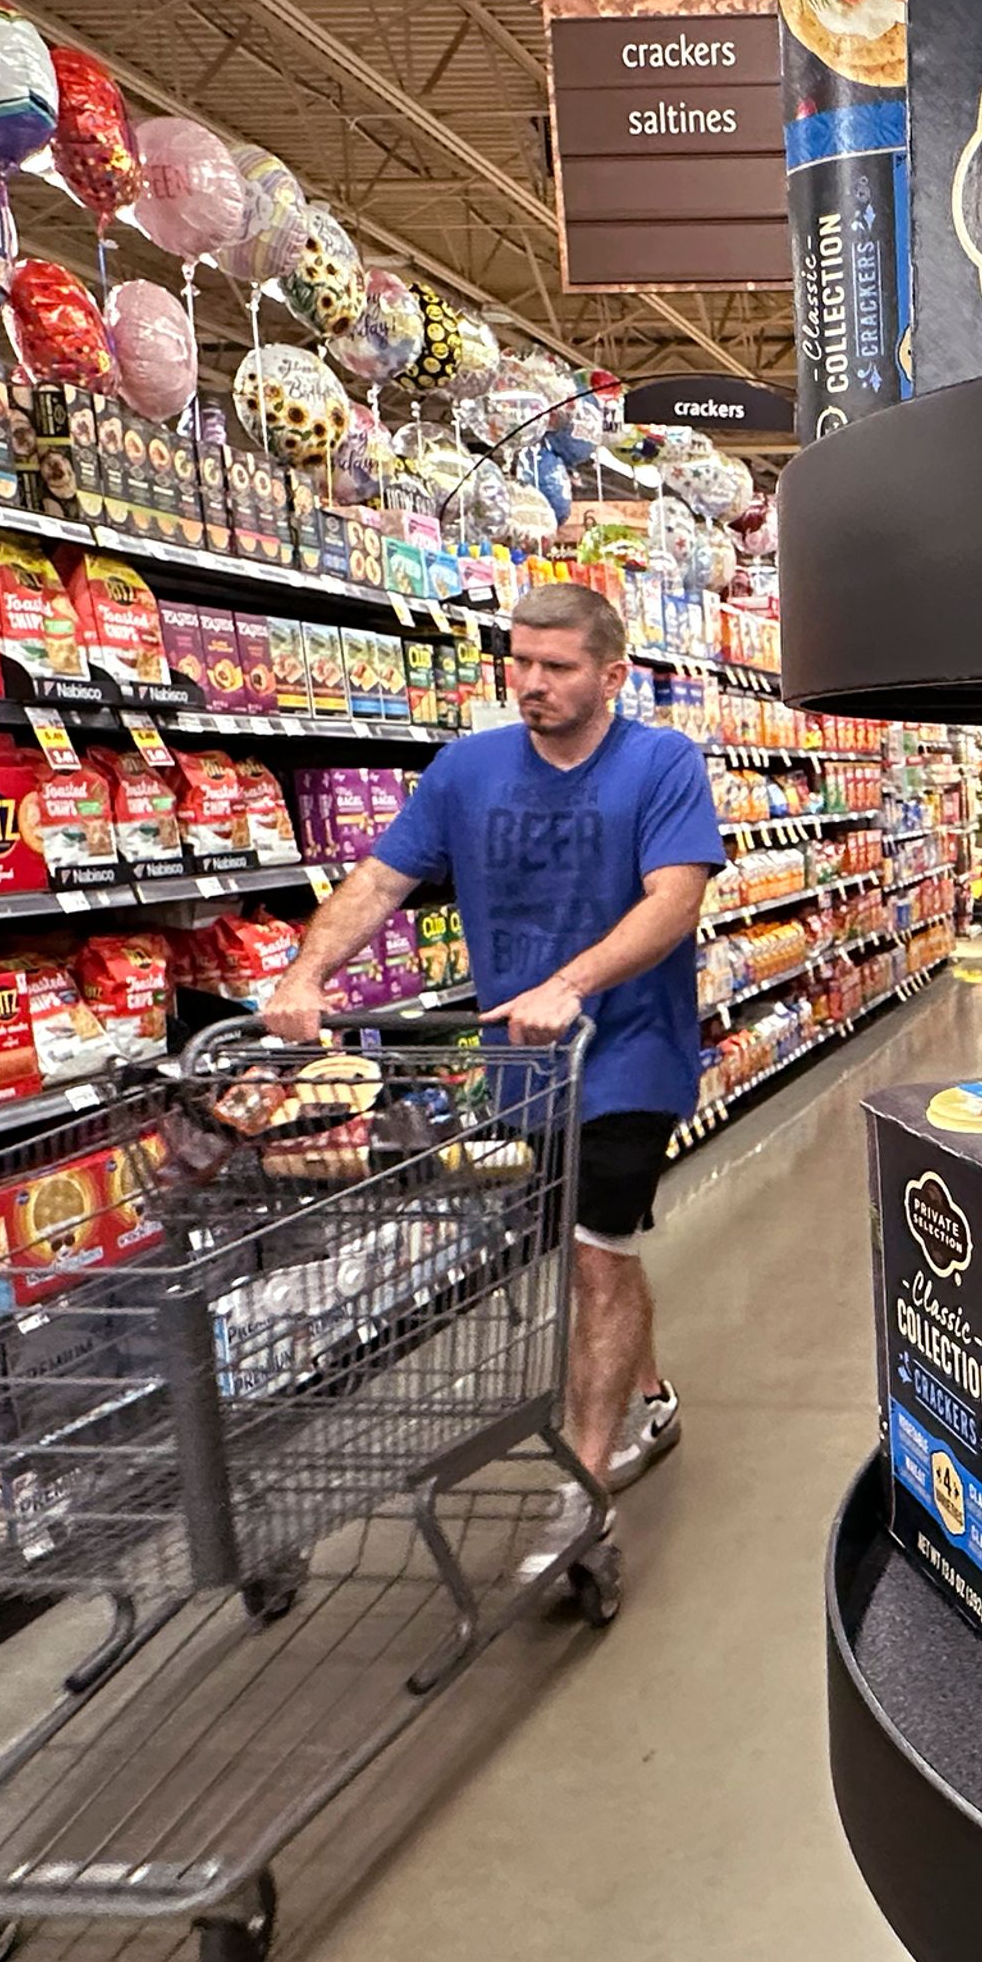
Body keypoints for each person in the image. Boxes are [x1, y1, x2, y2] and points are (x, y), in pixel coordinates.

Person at [261, 580, 720, 1559]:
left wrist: (574, 982)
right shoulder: (467, 771)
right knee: (591, 1248)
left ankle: (583, 1487)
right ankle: (649, 1396)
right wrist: (304, 971)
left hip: (627, 1051)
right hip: (519, 1067)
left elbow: (675, 898)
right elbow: (381, 880)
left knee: (597, 1254)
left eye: (556, 667)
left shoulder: (662, 762)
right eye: (519, 662)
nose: (532, 684)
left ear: (611, 673)